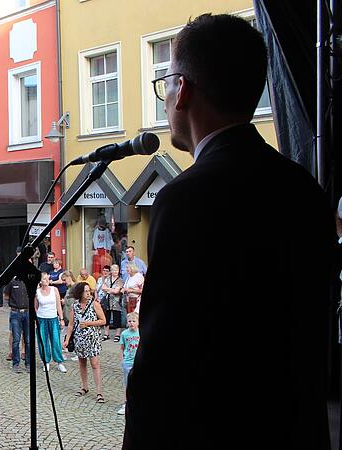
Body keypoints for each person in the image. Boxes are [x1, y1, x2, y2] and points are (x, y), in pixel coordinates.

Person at [125, 14, 334, 448]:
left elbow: (163, 367)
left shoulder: (185, 199)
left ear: (182, 89)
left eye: (163, 84)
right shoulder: (306, 190)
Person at [65, 282, 106, 404]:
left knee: (95, 363)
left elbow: (103, 320)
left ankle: (99, 392)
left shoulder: (94, 304)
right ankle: (85, 386)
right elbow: (71, 325)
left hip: (92, 338)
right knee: (82, 363)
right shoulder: (75, 306)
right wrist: (67, 339)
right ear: (80, 293)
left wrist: (89, 323)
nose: (88, 293)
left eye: (89, 291)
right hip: (79, 339)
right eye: (86, 291)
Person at [34, 273, 66, 373]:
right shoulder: (37, 292)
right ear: (40, 281)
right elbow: (35, 307)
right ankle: (46, 362)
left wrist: (61, 319)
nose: (47, 280)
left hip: (53, 318)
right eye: (44, 279)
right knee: (43, 341)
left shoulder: (54, 290)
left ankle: (59, 362)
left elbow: (58, 305)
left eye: (47, 278)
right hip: (41, 319)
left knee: (56, 340)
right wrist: (36, 320)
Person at [117, 312, 139, 416]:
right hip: (128, 362)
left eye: (134, 321)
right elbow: (122, 348)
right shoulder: (124, 334)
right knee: (127, 384)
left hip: (137, 362)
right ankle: (126, 404)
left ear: (138, 322)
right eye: (129, 321)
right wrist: (122, 360)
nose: (131, 323)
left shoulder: (140, 333)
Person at [100, 265, 123, 341]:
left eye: (116, 270)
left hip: (116, 302)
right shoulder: (107, 279)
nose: (115, 272)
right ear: (111, 271)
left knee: (117, 317)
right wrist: (112, 289)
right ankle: (106, 334)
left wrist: (109, 289)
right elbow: (103, 288)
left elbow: (117, 291)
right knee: (107, 317)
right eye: (113, 270)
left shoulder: (120, 280)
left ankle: (117, 334)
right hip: (108, 301)